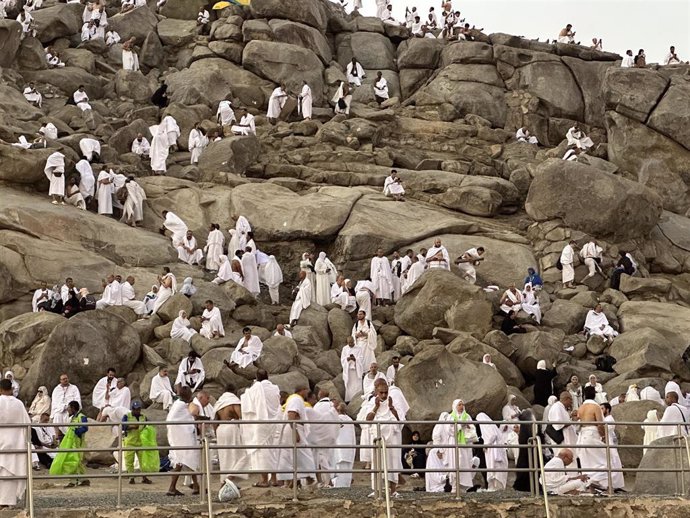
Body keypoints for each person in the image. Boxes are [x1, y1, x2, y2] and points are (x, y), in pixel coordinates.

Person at [240, 370, 281, 487]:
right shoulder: (275, 388)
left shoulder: (256, 388)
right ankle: (274, 478)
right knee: (273, 451)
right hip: (275, 422)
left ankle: (264, 480)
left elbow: (246, 399)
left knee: (261, 451)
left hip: (261, 422)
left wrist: (251, 387)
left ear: (257, 377)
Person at [364, 381, 402, 497]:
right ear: (377, 392)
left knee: (392, 462)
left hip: (391, 436)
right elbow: (368, 420)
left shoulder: (393, 401)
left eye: (386, 392)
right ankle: (377, 490)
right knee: (377, 463)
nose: (384, 395)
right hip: (378, 436)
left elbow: (399, 421)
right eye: (381, 393)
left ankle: (393, 490)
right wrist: (376, 407)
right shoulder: (372, 402)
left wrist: (391, 408)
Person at [276, 386, 317, 487]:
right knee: (304, 454)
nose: (307, 392)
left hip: (294, 428)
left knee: (294, 455)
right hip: (294, 428)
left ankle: (293, 482)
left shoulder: (295, 399)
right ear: (301, 391)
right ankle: (309, 478)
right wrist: (296, 432)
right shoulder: (296, 399)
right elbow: (291, 415)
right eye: (306, 390)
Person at [0, 378, 29, 506]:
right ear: (11, 389)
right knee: (10, 471)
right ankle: (7, 501)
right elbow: (27, 423)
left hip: (1, 440)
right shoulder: (19, 404)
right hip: (16, 442)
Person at [166, 386, 199, 496]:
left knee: (190, 459)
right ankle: (172, 488)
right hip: (181, 437)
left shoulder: (178, 404)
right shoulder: (181, 406)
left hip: (179, 436)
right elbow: (191, 415)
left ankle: (196, 486)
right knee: (182, 461)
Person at [50, 400, 89, 487]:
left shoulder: (82, 417)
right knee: (74, 462)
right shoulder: (72, 418)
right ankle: (82, 480)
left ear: (73, 408)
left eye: (69, 408)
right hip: (71, 443)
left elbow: (85, 428)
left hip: (78, 443)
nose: (67, 410)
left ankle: (75, 481)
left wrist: (76, 431)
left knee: (75, 462)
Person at [576, 386, 609, 488]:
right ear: (594, 394)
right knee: (605, 459)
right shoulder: (595, 407)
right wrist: (604, 436)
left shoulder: (581, 407)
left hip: (582, 435)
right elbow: (599, 424)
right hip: (592, 434)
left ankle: (590, 483)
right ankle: (596, 482)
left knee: (587, 462)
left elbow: (578, 421)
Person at [214, 388, 248, 484]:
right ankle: (230, 476)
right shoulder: (233, 401)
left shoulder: (219, 403)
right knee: (241, 454)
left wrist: (216, 433)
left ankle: (225, 481)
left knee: (224, 456)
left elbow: (214, 420)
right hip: (231, 428)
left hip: (220, 429)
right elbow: (241, 416)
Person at [122, 401, 154, 484]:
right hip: (130, 441)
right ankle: (131, 477)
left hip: (141, 442)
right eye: (135, 409)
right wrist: (132, 426)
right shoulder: (127, 416)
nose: (137, 411)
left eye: (138, 409)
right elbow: (123, 426)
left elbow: (149, 425)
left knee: (143, 461)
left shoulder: (143, 417)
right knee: (129, 460)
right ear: (132, 409)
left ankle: (144, 477)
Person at [476, 413, 508, 490]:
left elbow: (492, 435)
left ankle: (496, 487)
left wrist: (486, 445)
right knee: (492, 468)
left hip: (493, 450)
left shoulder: (487, 427)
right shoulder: (491, 427)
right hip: (492, 450)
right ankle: (493, 486)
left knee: (496, 469)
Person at [600, 402, 625, 491]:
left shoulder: (609, 419)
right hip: (606, 442)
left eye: (602, 409)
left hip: (609, 442)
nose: (600, 411)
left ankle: (614, 485)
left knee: (613, 463)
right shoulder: (605, 419)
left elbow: (605, 431)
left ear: (607, 410)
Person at [332, 402, 356, 487]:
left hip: (338, 448)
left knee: (338, 468)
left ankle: (337, 485)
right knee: (347, 469)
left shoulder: (335, 419)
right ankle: (346, 485)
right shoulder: (350, 420)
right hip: (349, 447)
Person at [546, 391, 577, 456]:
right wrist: (572, 422)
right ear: (566, 399)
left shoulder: (561, 407)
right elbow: (558, 425)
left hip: (566, 440)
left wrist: (571, 416)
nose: (571, 402)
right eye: (571, 400)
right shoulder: (557, 407)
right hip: (561, 440)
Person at [341, 336, 364, 403]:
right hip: (348, 370)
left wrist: (355, 359)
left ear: (354, 341)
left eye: (351, 342)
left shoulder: (359, 348)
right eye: (349, 343)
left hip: (356, 370)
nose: (350, 344)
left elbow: (361, 358)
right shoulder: (345, 348)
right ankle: (349, 400)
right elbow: (342, 359)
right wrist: (347, 359)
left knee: (357, 385)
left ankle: (358, 399)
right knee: (349, 385)